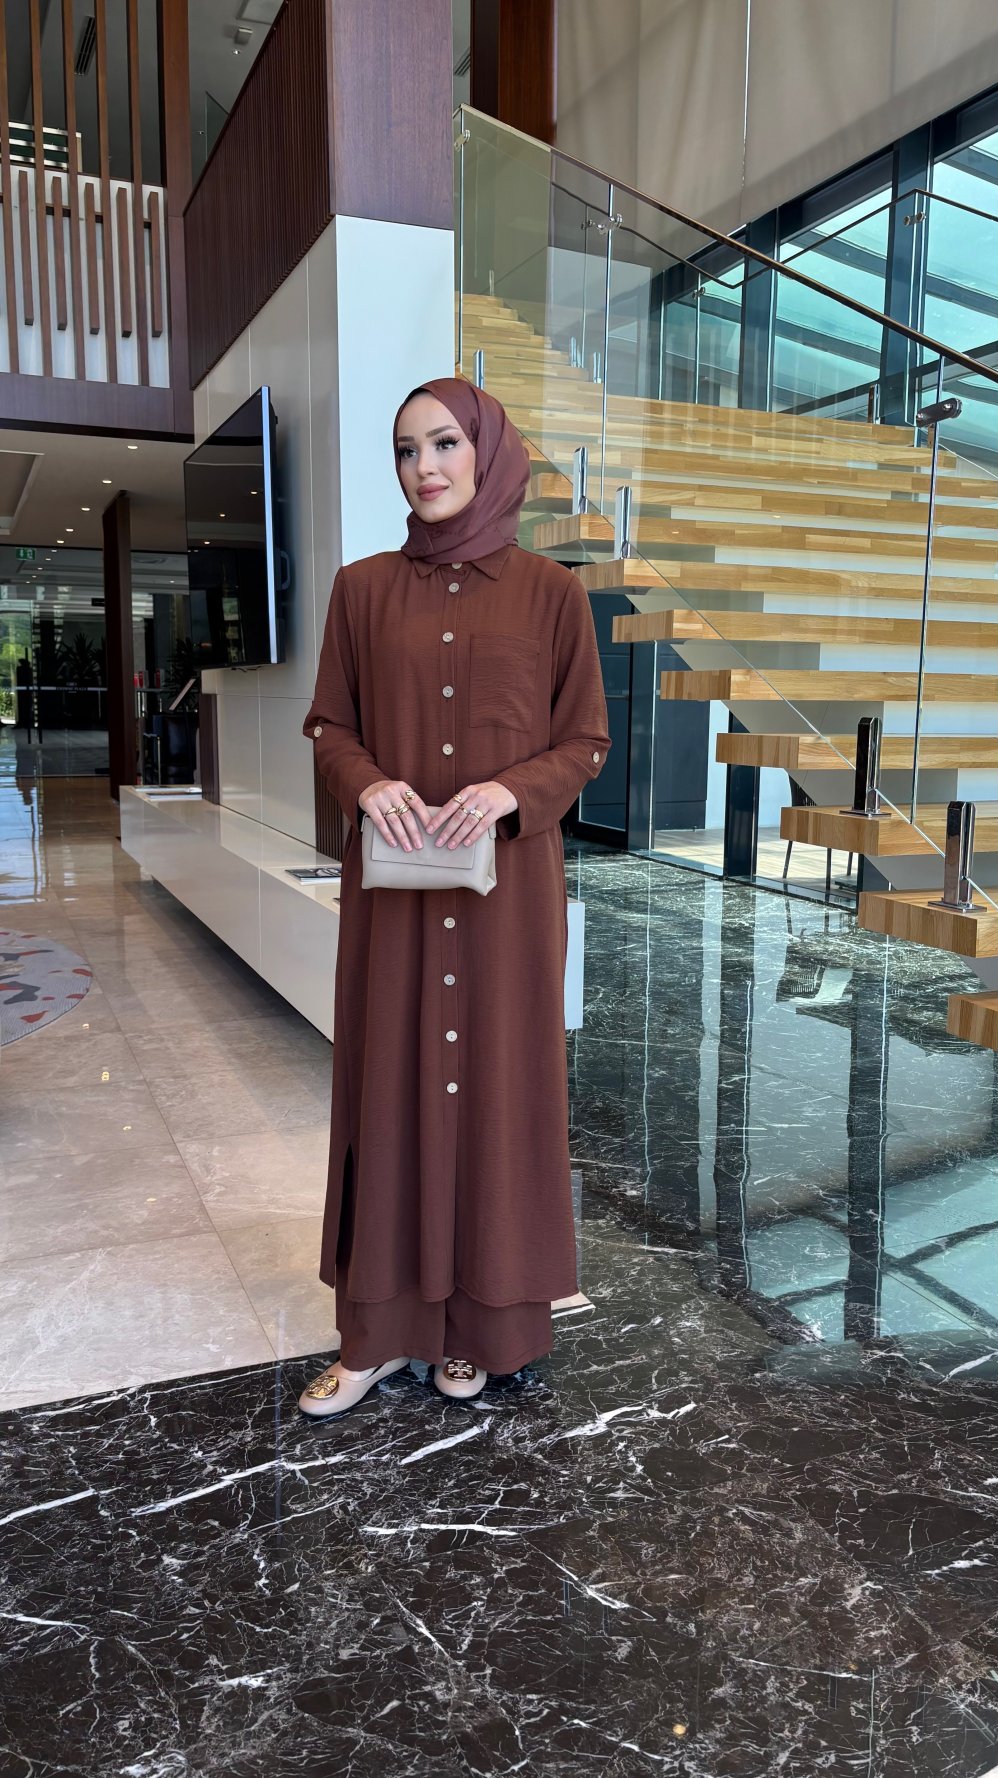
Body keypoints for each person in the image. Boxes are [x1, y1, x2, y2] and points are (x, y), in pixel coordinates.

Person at [299, 376, 610, 1417]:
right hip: (392, 895)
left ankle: (479, 1328)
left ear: (487, 453)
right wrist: (366, 784)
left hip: (505, 902)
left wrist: (508, 792)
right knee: (386, 1091)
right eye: (405, 449)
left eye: (442, 444)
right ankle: (378, 1333)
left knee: (499, 1098)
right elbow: (330, 726)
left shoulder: (552, 594)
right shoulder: (360, 590)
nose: (423, 467)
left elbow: (585, 739)